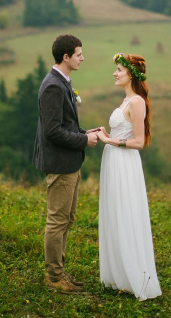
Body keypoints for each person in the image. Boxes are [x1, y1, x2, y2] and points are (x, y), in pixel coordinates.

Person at [32, 34, 99, 294]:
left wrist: (84, 132)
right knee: (57, 221)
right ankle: (54, 277)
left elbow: (65, 124)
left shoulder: (63, 82)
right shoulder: (53, 86)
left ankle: (58, 271)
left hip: (69, 163)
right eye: (79, 54)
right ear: (66, 57)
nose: (82, 57)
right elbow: (52, 131)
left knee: (67, 218)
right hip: (60, 165)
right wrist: (84, 140)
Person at [96, 53, 162, 301]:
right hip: (114, 162)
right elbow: (121, 131)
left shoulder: (136, 102)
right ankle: (118, 275)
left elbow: (138, 141)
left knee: (126, 213)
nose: (114, 73)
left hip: (125, 164)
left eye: (119, 70)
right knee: (114, 213)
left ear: (131, 75)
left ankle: (135, 276)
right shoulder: (126, 101)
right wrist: (106, 133)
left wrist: (109, 140)